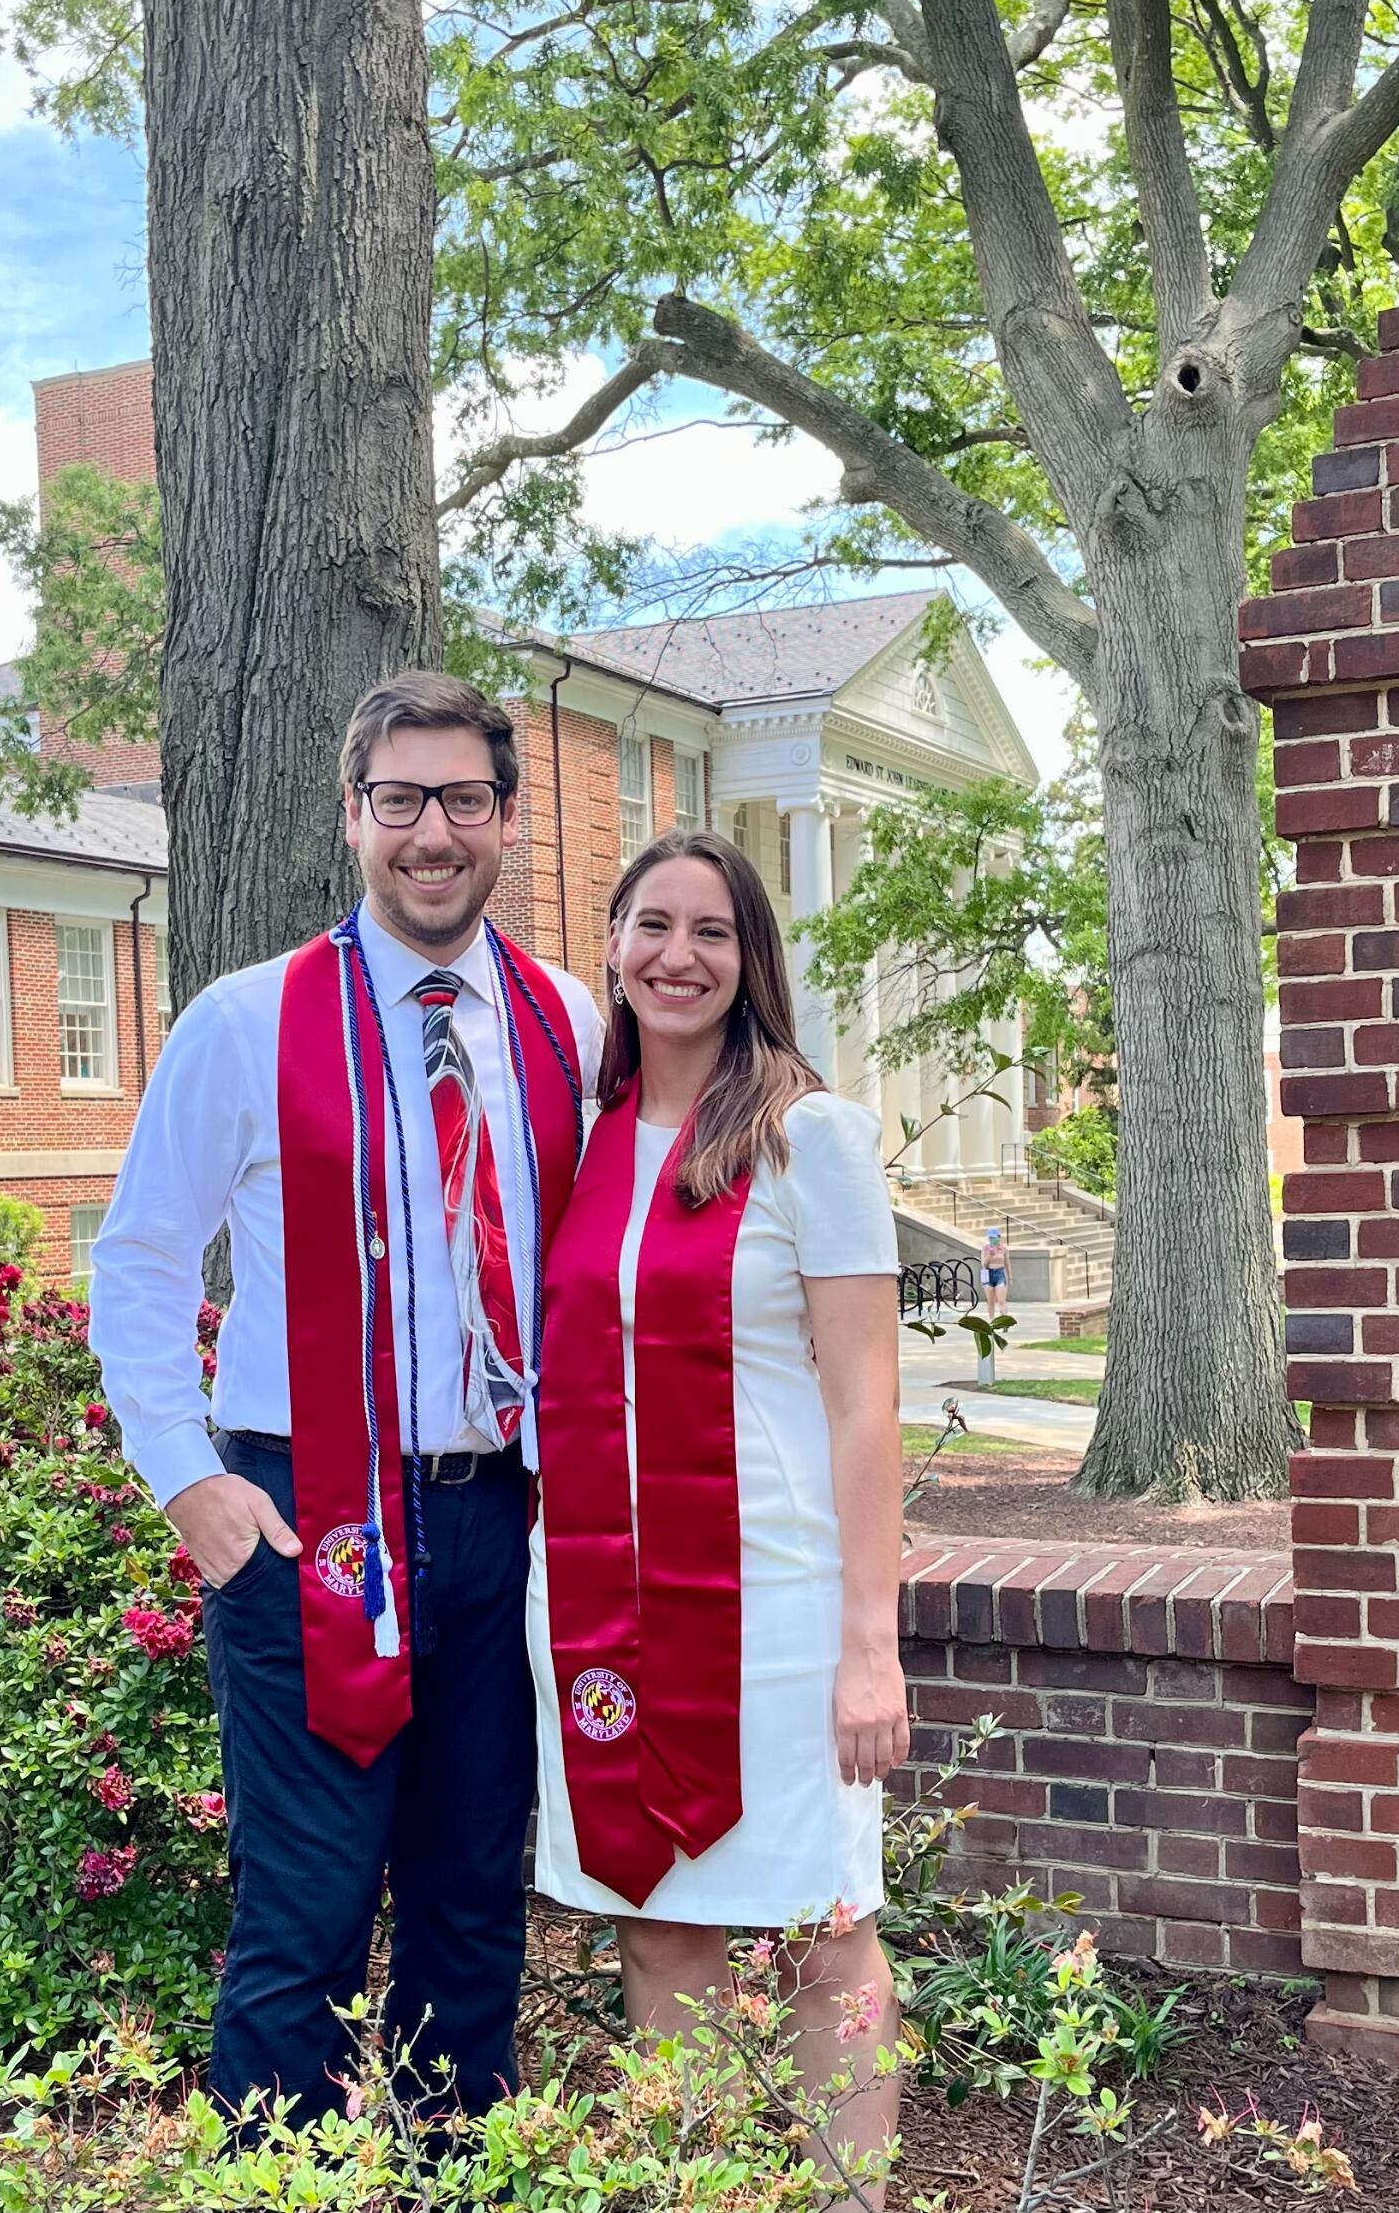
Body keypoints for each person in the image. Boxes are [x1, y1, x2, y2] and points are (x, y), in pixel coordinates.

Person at [89, 673, 602, 2124]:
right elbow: (135, 1260)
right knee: (300, 1920)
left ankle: (454, 2171)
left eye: (460, 799)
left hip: (498, 1516)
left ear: (505, 819)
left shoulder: (565, 1021)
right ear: (352, 818)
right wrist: (189, 1482)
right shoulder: (247, 1022)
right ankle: (277, 2179)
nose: (428, 833)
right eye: (398, 801)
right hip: (305, 1518)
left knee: (468, 1911)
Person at [528, 828, 908, 2203]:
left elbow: (867, 1404)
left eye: (710, 932)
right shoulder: (571, 1142)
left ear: (751, 961)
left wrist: (873, 1643)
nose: (675, 957)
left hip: (781, 1610)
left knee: (823, 1933)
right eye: (650, 926)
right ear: (613, 946)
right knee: (654, 1934)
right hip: (591, 1605)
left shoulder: (809, 1136)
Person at [981, 1227, 1010, 1313]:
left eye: (994, 1237)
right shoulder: (985, 1248)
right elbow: (984, 1264)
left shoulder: (1003, 1249)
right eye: (990, 1238)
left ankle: (1004, 1320)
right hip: (988, 1273)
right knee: (990, 1302)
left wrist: (1010, 1277)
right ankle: (991, 1322)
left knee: (1001, 1301)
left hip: (1000, 1273)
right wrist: (990, 1255)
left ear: (999, 1237)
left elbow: (1007, 1264)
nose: (992, 1240)